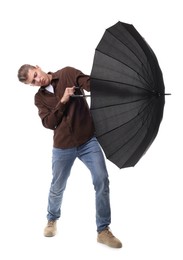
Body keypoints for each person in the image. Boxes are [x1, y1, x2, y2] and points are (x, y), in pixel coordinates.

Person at [17, 64, 122, 248]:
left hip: (88, 141)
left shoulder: (67, 73)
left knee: (102, 180)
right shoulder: (39, 98)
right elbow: (49, 123)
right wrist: (63, 101)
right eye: (32, 82)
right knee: (58, 186)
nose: (37, 80)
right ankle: (52, 219)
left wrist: (113, 88)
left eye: (35, 75)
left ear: (38, 67)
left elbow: (89, 83)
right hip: (63, 146)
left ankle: (103, 230)